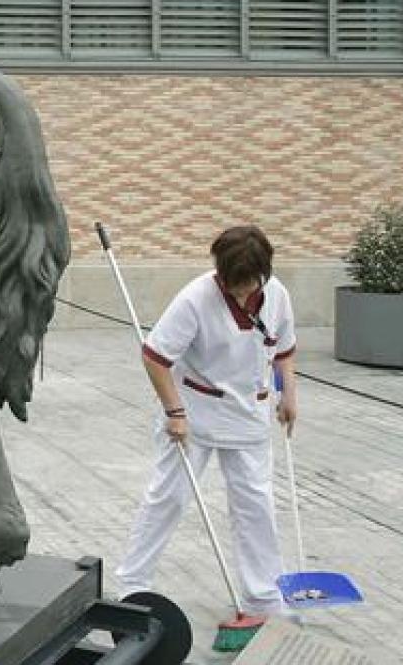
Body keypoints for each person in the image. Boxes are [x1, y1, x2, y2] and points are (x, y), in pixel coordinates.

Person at [112, 225, 300, 621]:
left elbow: (283, 351)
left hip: (250, 414)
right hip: (195, 414)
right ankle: (132, 585)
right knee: (169, 497)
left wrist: (289, 396)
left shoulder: (277, 294)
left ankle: (263, 596)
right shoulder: (195, 299)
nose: (241, 293)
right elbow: (155, 357)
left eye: (249, 284)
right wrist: (174, 412)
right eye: (234, 285)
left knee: (256, 505)